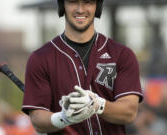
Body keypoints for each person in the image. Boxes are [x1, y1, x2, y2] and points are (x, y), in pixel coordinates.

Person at [22, 0, 143, 135]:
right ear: (63, 5)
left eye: (88, 2)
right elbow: (38, 119)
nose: (80, 9)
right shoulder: (40, 59)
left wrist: (97, 105)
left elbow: (129, 112)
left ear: (97, 6)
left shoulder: (122, 55)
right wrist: (63, 117)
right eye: (73, 2)